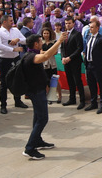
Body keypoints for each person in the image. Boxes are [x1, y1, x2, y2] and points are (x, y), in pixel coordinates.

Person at [22, 31, 68, 160]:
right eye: (40, 41)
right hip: (36, 92)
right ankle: (29, 148)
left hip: (39, 90)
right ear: (36, 44)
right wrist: (59, 41)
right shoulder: (31, 57)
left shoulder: (35, 53)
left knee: (38, 117)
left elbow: (50, 53)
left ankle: (37, 140)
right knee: (43, 118)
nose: (42, 43)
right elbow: (47, 55)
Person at [0, 15, 28, 114]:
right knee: (4, 83)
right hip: (4, 59)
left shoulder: (15, 31)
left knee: (17, 79)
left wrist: (18, 40)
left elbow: (25, 40)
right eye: (10, 20)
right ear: (4, 22)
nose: (12, 22)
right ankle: (3, 105)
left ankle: (18, 100)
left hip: (15, 58)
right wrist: (12, 49)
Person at [60, 16, 87, 109]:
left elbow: (79, 48)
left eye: (69, 23)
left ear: (73, 24)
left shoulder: (77, 34)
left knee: (77, 81)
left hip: (75, 61)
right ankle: (72, 99)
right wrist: (63, 57)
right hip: (66, 62)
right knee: (70, 80)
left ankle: (82, 100)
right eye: (66, 23)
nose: (67, 25)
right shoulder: (64, 34)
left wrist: (70, 58)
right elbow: (62, 47)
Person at [83, 19, 102, 114]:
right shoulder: (89, 37)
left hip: (98, 66)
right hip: (89, 65)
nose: (90, 29)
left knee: (101, 85)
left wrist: (100, 63)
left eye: (92, 27)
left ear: (97, 28)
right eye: (90, 27)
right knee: (92, 85)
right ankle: (93, 102)